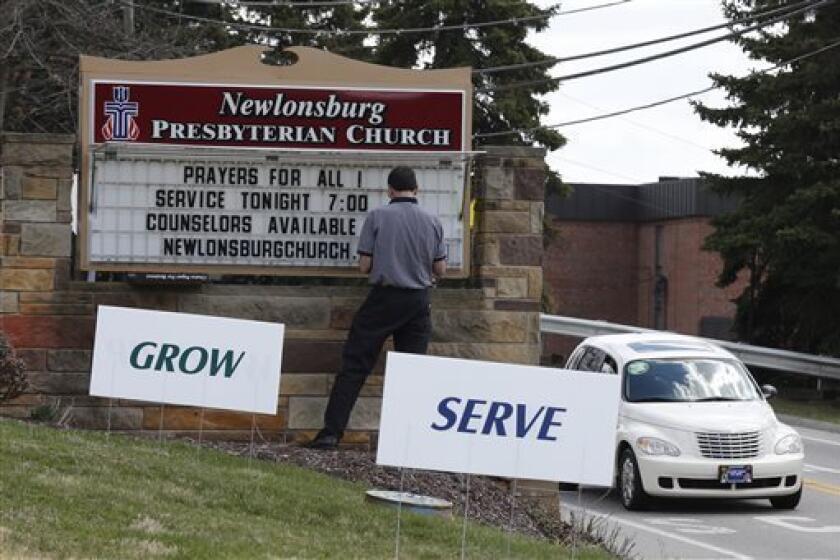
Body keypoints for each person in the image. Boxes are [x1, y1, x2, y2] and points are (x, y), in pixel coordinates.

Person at [306, 165, 447, 450]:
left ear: (390, 190)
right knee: (412, 374)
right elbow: (440, 268)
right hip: (418, 301)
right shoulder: (433, 221)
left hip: (383, 299)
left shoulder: (377, 216)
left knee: (354, 366)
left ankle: (331, 433)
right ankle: (407, 442)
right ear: (416, 189)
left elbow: (364, 265)